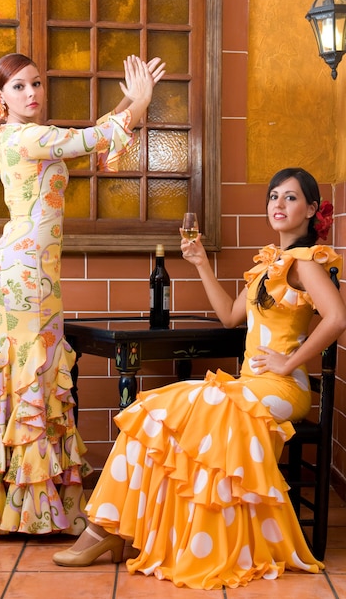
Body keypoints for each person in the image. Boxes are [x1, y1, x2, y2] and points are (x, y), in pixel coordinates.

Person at [52, 167, 346, 589]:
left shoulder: (306, 264)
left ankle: (190, 540)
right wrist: (200, 263)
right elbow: (230, 315)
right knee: (152, 408)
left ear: (312, 209)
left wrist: (288, 362)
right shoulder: (270, 264)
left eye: (291, 198)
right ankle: (107, 529)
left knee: (206, 405)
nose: (278, 205)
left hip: (284, 389)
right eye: (273, 196)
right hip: (248, 386)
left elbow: (336, 317)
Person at [0, 52, 165, 536]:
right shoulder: (26, 136)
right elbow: (87, 140)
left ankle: (10, 503)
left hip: (32, 268)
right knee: (29, 372)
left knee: (28, 373)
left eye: (36, 83)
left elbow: (92, 141)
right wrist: (137, 103)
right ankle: (17, 508)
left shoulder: (30, 135)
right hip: (24, 269)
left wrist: (133, 102)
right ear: (2, 96)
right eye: (18, 87)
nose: (32, 93)